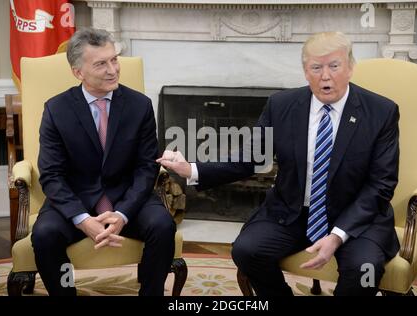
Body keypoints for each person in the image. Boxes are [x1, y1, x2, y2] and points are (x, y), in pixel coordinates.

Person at [158, 31, 400, 296]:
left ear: (351, 67)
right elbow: (250, 159)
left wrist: (338, 235)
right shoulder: (281, 105)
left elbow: (381, 184)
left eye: (334, 65)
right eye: (316, 68)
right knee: (247, 251)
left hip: (356, 218)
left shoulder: (381, 112)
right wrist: (191, 168)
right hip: (293, 212)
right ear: (306, 72)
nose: (326, 76)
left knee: (365, 269)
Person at [32, 27, 176, 296]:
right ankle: (66, 291)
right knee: (44, 235)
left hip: (127, 196)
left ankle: (150, 292)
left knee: (163, 225)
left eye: (114, 60)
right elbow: (51, 174)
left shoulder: (140, 106)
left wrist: (122, 214)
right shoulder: (56, 109)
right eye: (101, 63)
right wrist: (83, 219)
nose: (113, 70)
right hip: (75, 199)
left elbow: (147, 166)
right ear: (78, 72)